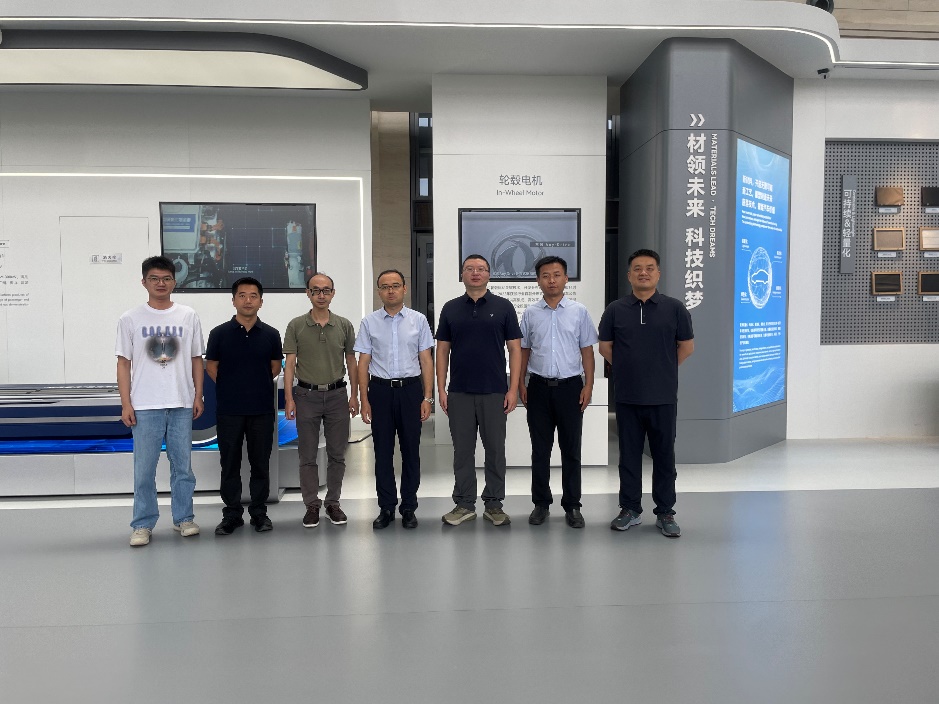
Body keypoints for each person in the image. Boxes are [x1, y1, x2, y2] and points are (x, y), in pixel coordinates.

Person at [598, 248, 695, 538]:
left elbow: (687, 347)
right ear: (629, 275)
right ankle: (630, 509)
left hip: (663, 397)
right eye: (637, 268)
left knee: (664, 457)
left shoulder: (675, 308)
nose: (643, 272)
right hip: (627, 397)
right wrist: (628, 369)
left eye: (649, 268)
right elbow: (605, 347)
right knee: (628, 457)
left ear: (658, 274)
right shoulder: (615, 309)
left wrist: (662, 368)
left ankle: (665, 511)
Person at [116, 255, 205, 547]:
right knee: (144, 469)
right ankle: (142, 524)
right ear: (144, 282)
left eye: (166, 278)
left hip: (181, 403)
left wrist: (198, 395)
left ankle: (184, 518)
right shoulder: (130, 318)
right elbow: (123, 363)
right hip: (145, 405)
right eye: (154, 278)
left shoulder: (188, 315)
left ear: (174, 282)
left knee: (183, 468)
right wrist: (126, 403)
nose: (161, 283)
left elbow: (196, 359)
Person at [436, 254, 522, 527]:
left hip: (494, 391)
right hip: (459, 392)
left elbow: (515, 350)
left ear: (489, 274)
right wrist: (441, 389)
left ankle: (494, 505)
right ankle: (464, 504)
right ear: (462, 274)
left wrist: (513, 389)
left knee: (495, 450)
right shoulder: (450, 308)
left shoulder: (504, 307)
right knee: (462, 451)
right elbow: (442, 351)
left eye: (481, 269)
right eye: (469, 269)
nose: (475, 273)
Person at [518, 256, 598, 529]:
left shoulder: (579, 312)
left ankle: (572, 505)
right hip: (538, 388)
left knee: (571, 449)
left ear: (566, 278)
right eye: (545, 275)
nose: (551, 280)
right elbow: (524, 350)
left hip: (570, 388)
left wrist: (588, 385)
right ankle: (541, 503)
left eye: (556, 275)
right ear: (538, 280)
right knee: (540, 450)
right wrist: (521, 383)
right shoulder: (530, 313)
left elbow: (587, 351)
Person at [355, 270, 434, 530]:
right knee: (382, 452)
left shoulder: (418, 320)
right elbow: (363, 362)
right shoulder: (369, 322)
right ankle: (386, 507)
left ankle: (409, 507)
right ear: (379, 291)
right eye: (385, 286)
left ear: (404, 288)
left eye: (395, 285)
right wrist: (364, 399)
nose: (391, 290)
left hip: (410, 391)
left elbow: (426, 360)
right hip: (380, 392)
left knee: (411, 451)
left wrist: (427, 397)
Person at [205, 277, 283, 535]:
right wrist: (233, 386)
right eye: (242, 295)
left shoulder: (271, 334)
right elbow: (212, 367)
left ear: (261, 301)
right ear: (233, 300)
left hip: (261, 409)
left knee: (260, 463)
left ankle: (259, 513)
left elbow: (274, 367)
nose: (248, 300)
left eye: (253, 296)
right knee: (229, 464)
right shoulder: (219, 333)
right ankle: (232, 514)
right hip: (229, 410)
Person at [283, 272, 359, 529]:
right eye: (316, 290)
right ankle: (311, 505)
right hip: (306, 396)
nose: (321, 295)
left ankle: (333, 503)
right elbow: (290, 364)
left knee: (337, 454)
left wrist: (355, 395)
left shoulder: (344, 325)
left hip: (337, 395)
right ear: (308, 293)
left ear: (333, 293)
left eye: (326, 290)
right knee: (307, 454)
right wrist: (289, 399)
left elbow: (351, 361)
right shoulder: (296, 325)